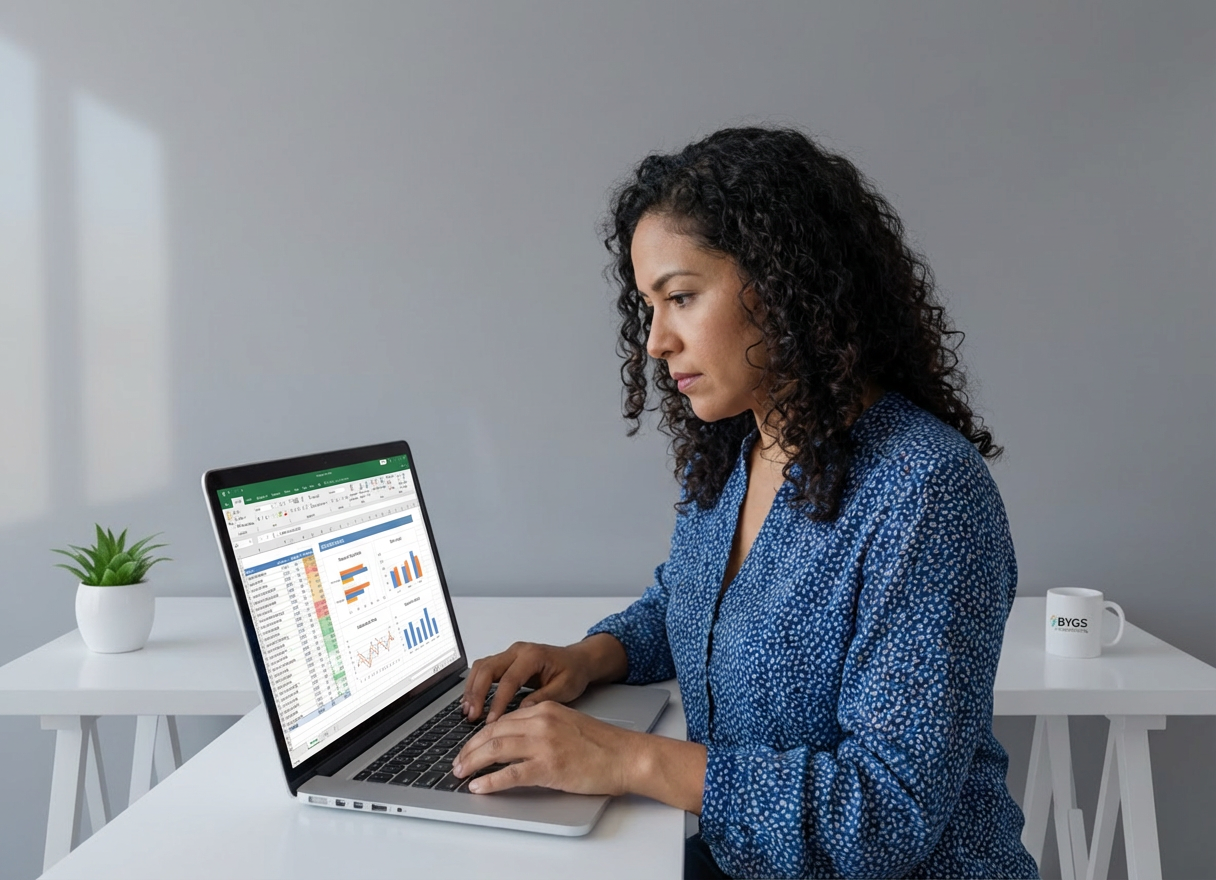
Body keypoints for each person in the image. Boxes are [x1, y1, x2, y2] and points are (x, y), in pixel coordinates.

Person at [452, 126, 1040, 880]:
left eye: (681, 297)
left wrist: (629, 759)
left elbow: (886, 813)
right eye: (649, 307)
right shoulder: (738, 454)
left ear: (788, 285)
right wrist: (586, 658)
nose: (656, 342)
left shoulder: (926, 490)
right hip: (744, 861)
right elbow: (692, 606)